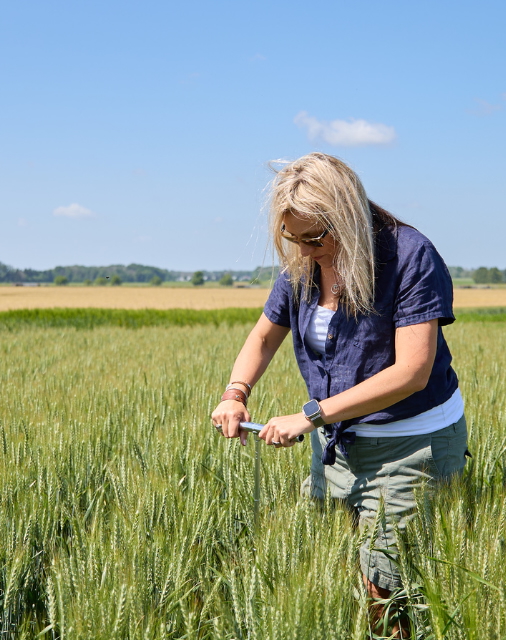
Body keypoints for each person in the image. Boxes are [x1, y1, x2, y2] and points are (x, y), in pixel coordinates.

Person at [210, 152, 468, 637]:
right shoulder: (304, 266)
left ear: (346, 216)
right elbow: (265, 336)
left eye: (315, 237)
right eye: (293, 238)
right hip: (337, 447)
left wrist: (311, 415)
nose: (305, 250)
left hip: (410, 444)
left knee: (388, 590)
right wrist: (235, 392)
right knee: (342, 570)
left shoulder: (409, 255)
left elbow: (412, 372)